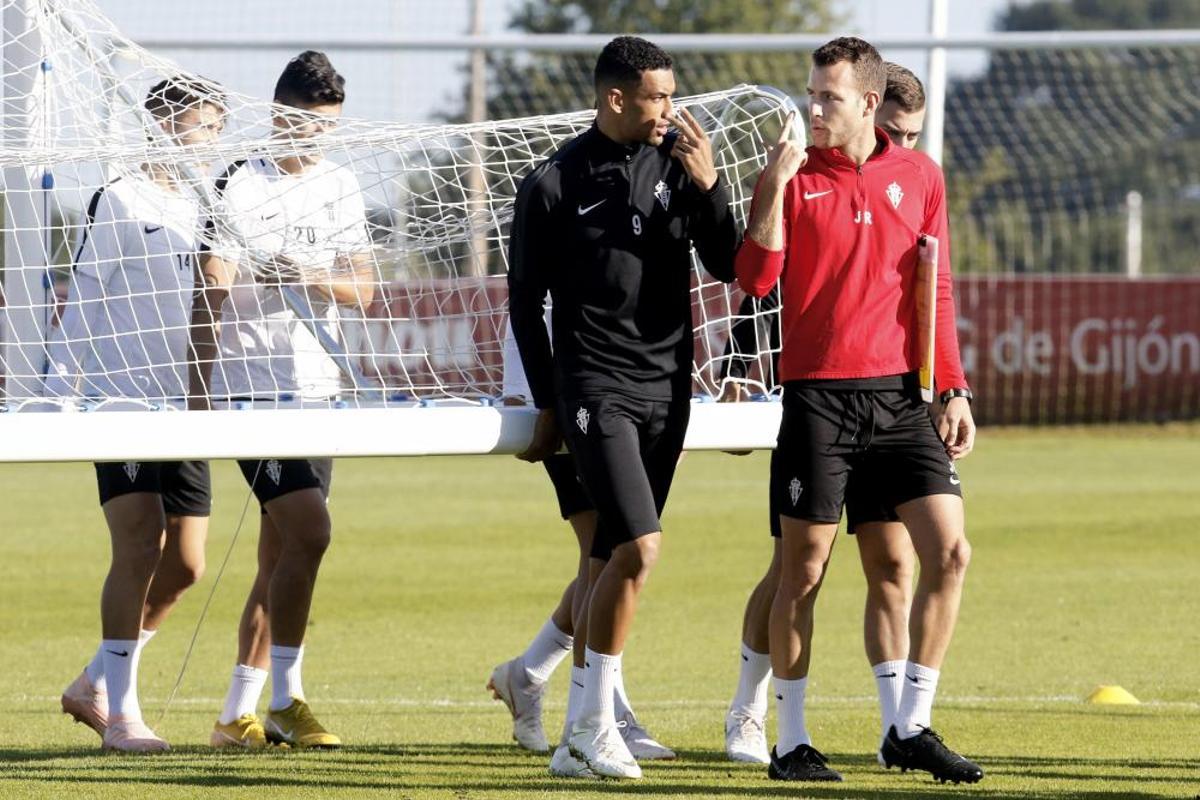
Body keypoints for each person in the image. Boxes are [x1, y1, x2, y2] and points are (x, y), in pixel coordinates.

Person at [734, 38, 982, 784]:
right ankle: (790, 742)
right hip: (819, 400)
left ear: (869, 103)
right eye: (811, 93)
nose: (813, 108)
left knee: (948, 553)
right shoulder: (792, 174)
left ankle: (910, 727)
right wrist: (773, 189)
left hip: (901, 401)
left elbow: (935, 288)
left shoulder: (921, 176)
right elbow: (755, 279)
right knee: (803, 572)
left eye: (828, 97)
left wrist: (953, 387)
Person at [508, 35, 740, 779]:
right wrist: (549, 404)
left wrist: (711, 185)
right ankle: (591, 726)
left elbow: (732, 265)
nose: (671, 109)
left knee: (608, 557)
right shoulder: (552, 183)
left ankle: (580, 724)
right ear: (615, 98)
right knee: (639, 548)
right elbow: (524, 307)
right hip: (594, 388)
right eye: (658, 97)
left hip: (668, 388)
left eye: (671, 94)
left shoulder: (679, 165)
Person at [189, 50, 374, 749]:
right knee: (312, 531)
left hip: (317, 391)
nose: (316, 137)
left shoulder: (341, 184)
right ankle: (289, 700)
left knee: (280, 554)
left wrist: (315, 278)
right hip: (250, 391)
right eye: (305, 124)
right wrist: (198, 393)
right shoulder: (239, 181)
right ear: (276, 116)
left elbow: (365, 290)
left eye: (327, 126)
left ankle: (235, 715)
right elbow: (211, 283)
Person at [50, 77, 226, 752]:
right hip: (119, 400)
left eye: (215, 129)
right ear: (160, 123)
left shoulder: (207, 204)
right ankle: (122, 716)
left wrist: (204, 392)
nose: (207, 141)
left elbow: (209, 299)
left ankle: (92, 681)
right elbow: (84, 297)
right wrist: (61, 395)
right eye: (199, 126)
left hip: (182, 404)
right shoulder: (119, 196)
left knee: (185, 565)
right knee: (139, 542)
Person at [487, 315, 673, 763]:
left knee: (612, 551)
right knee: (607, 549)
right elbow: (529, 299)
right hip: (566, 393)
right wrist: (523, 391)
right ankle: (604, 716)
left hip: (630, 385)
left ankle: (530, 673)